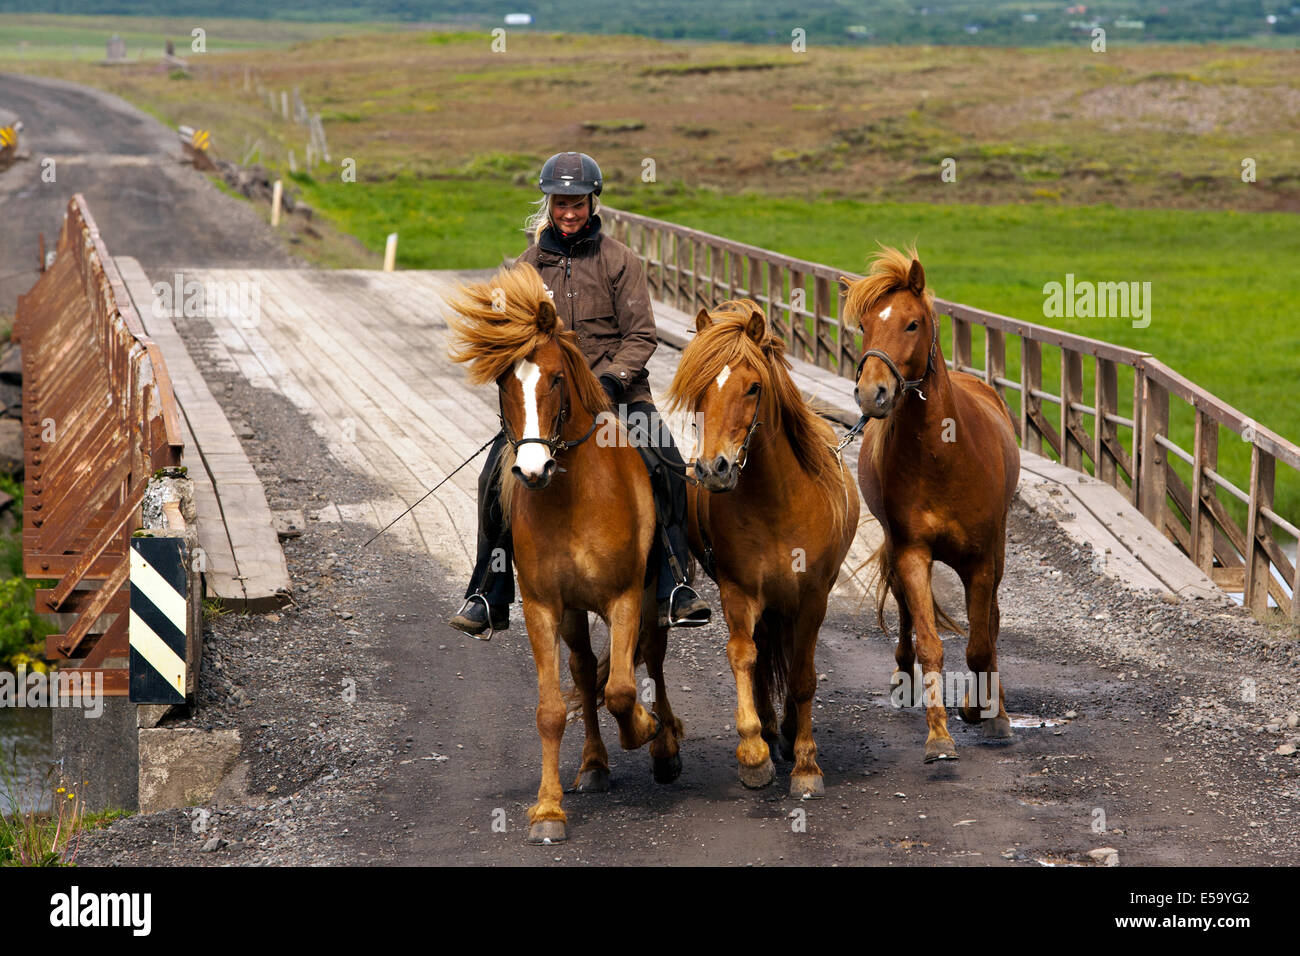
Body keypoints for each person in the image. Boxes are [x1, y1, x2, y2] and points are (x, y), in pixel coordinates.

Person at [448, 151, 711, 637]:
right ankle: (488, 589)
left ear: (594, 201)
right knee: (492, 479)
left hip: (622, 395)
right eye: (561, 202)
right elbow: (508, 341)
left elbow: (641, 335)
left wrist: (610, 379)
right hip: (547, 404)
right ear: (548, 204)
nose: (569, 212)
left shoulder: (619, 261)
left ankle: (674, 583)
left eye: (578, 202)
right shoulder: (526, 268)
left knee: (668, 465)